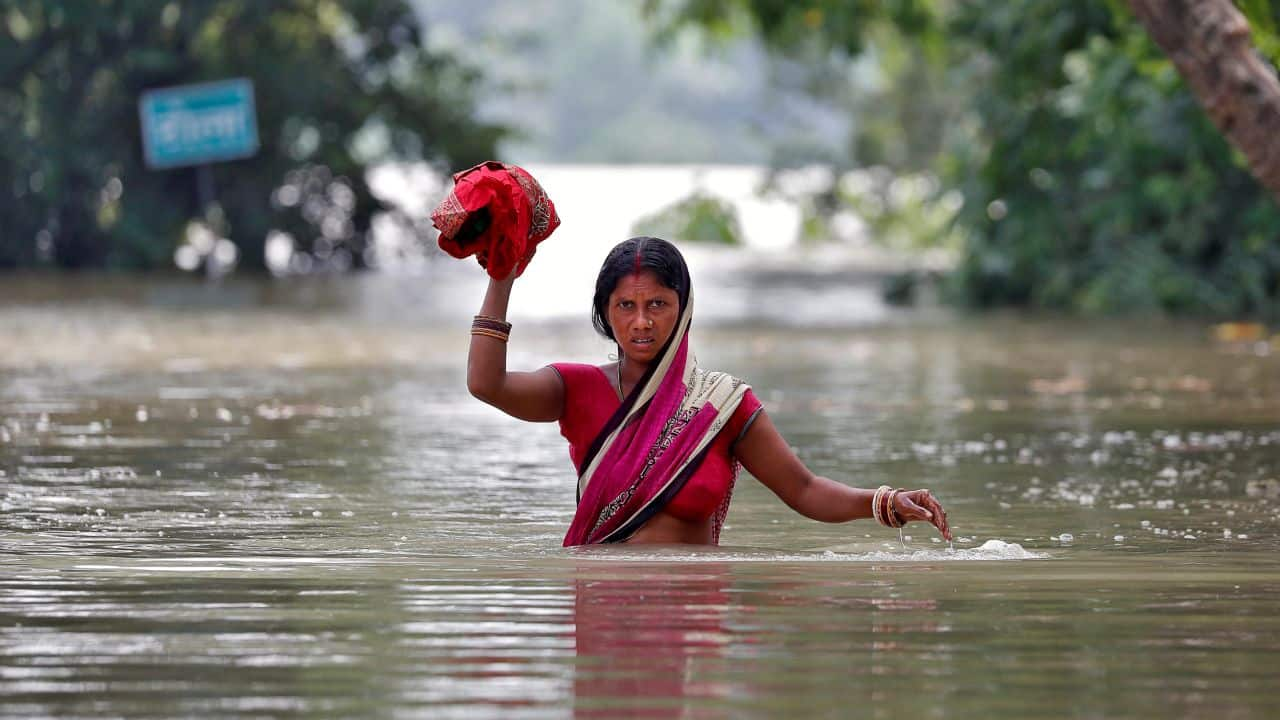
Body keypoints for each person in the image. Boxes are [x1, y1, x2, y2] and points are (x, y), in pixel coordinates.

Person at [467, 236, 952, 546]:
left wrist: (884, 501)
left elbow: (804, 490)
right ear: (605, 313)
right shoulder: (574, 388)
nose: (642, 322)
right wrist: (501, 277)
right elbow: (486, 384)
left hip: (693, 616)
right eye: (626, 305)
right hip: (602, 606)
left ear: (684, 308)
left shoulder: (723, 404)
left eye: (658, 303)